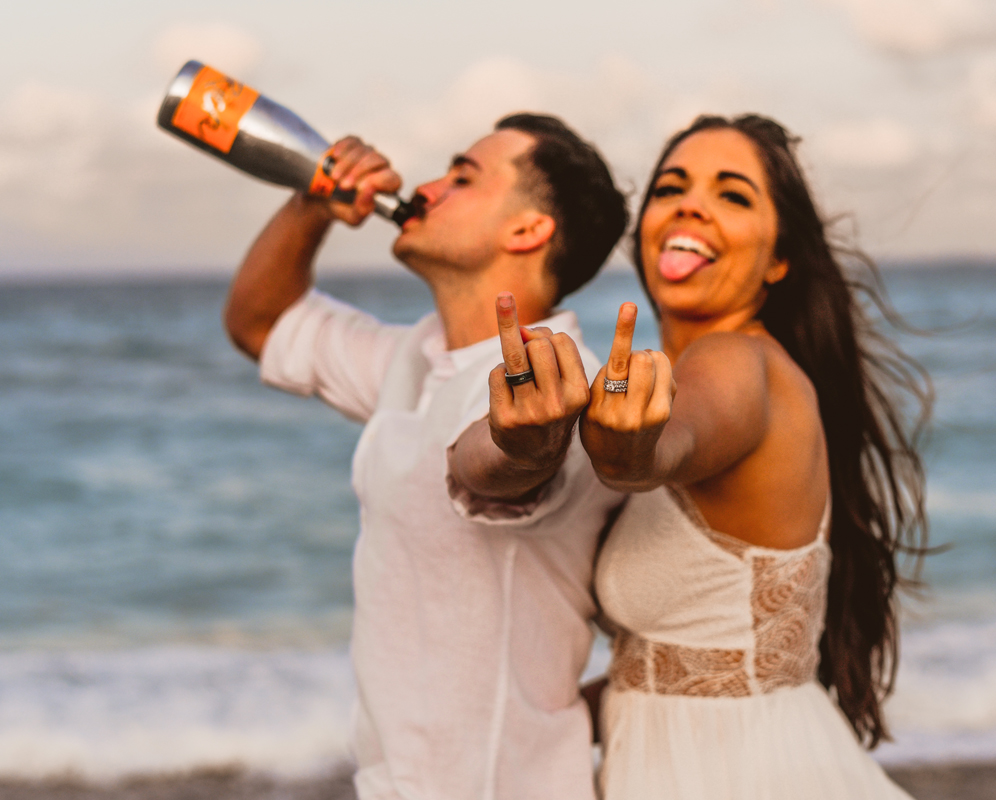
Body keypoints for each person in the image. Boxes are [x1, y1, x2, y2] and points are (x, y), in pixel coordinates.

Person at [222, 113, 628, 800]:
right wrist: (311, 205)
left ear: (527, 231)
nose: (428, 187)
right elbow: (260, 324)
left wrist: (523, 444)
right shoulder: (416, 358)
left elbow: (513, 467)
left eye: (462, 177)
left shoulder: (556, 381)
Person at [579, 114, 931, 799]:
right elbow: (668, 667)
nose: (691, 204)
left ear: (778, 258)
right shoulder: (757, 369)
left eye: (733, 195)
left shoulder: (740, 364)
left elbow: (670, 443)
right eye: (671, 187)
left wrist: (627, 446)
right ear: (643, 230)